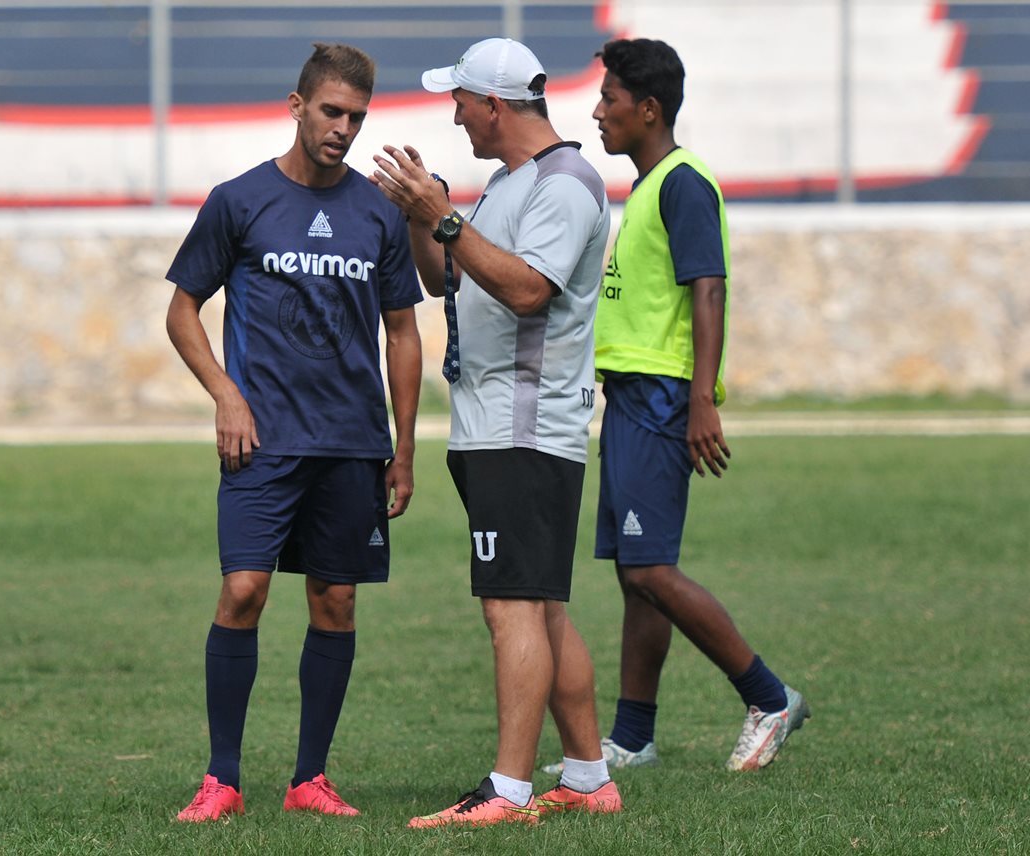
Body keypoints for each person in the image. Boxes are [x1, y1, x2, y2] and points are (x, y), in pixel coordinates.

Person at [165, 42, 423, 822]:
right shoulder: (239, 200)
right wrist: (225, 394)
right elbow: (182, 311)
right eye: (331, 112)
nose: (342, 128)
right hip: (261, 441)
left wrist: (404, 446)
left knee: (335, 601)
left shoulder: (379, 213)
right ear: (297, 106)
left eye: (356, 116)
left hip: (351, 444)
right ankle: (222, 779)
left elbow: (403, 333)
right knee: (242, 591)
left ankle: (310, 779)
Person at [370, 37, 622, 827]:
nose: (455, 115)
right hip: (497, 428)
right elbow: (446, 275)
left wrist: (442, 216)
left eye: (461, 102)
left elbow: (525, 292)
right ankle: (588, 778)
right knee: (541, 606)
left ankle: (508, 791)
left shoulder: (567, 183)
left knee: (511, 607)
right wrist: (426, 218)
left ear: (495, 105)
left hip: (525, 427)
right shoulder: (511, 183)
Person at [543, 38, 810, 775]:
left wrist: (701, 399)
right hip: (632, 396)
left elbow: (709, 287)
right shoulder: (652, 184)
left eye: (611, 101)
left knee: (654, 569)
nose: (598, 113)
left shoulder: (685, 183)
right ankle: (632, 736)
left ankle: (768, 696)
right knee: (636, 574)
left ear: (649, 109)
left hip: (662, 398)